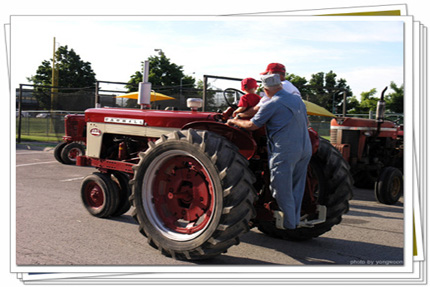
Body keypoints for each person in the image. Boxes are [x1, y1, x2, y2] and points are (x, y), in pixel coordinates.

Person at [227, 74, 312, 230]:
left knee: (281, 187)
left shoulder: (272, 103)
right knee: (297, 186)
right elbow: (306, 122)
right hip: (305, 148)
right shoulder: (298, 100)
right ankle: (295, 217)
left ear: (265, 90)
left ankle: (290, 225)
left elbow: (252, 125)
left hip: (286, 150)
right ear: (280, 85)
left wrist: (234, 120)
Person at [236, 63, 301, 119]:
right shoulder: (291, 86)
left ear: (273, 74)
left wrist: (239, 115)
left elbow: (260, 108)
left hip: (282, 125)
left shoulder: (278, 87)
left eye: (267, 74)